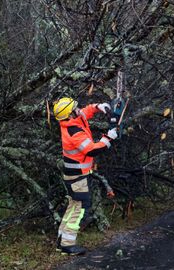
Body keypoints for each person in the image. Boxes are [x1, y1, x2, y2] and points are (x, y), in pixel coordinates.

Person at [53, 97, 118, 255]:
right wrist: (108, 138)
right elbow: (91, 150)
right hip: (77, 177)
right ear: (69, 114)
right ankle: (68, 245)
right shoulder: (73, 132)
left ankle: (62, 240)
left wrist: (97, 106)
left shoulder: (71, 120)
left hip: (75, 175)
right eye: (75, 108)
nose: (78, 109)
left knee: (73, 206)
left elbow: (84, 112)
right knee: (80, 210)